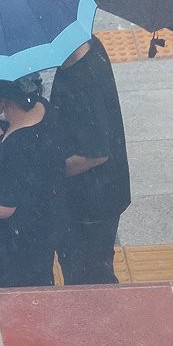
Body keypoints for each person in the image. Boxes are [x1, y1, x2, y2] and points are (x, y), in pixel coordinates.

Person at [50, 36, 131, 284]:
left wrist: (47, 173)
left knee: (89, 279)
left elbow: (95, 153)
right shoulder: (89, 48)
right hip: (99, 198)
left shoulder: (81, 80)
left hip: (89, 206)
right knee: (91, 272)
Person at [0, 75, 67, 288]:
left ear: (2, 100)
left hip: (15, 248)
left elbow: (2, 207)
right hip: (43, 232)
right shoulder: (43, 110)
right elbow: (0, 129)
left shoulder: (16, 147)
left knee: (9, 300)